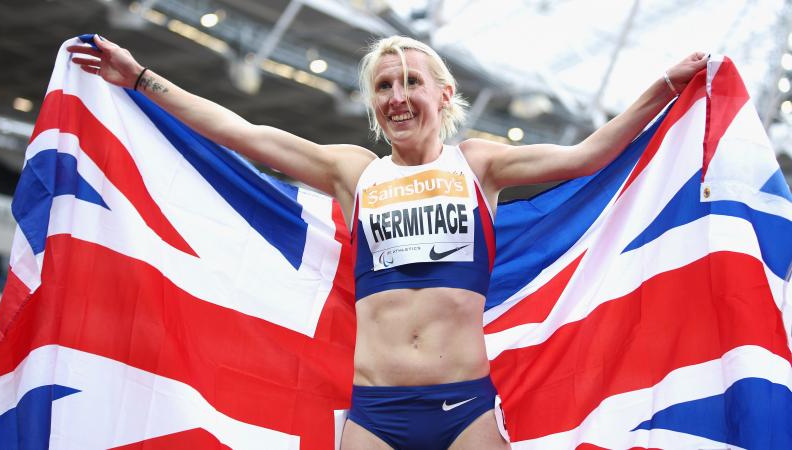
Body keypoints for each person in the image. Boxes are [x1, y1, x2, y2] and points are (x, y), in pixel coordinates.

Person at [68, 34, 707, 449]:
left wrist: (666, 87)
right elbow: (244, 133)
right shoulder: (354, 171)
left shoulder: (479, 165)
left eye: (411, 83)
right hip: (376, 414)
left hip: (466, 410)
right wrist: (142, 78)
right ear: (373, 105)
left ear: (444, 95)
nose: (398, 97)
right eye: (383, 87)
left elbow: (589, 153)